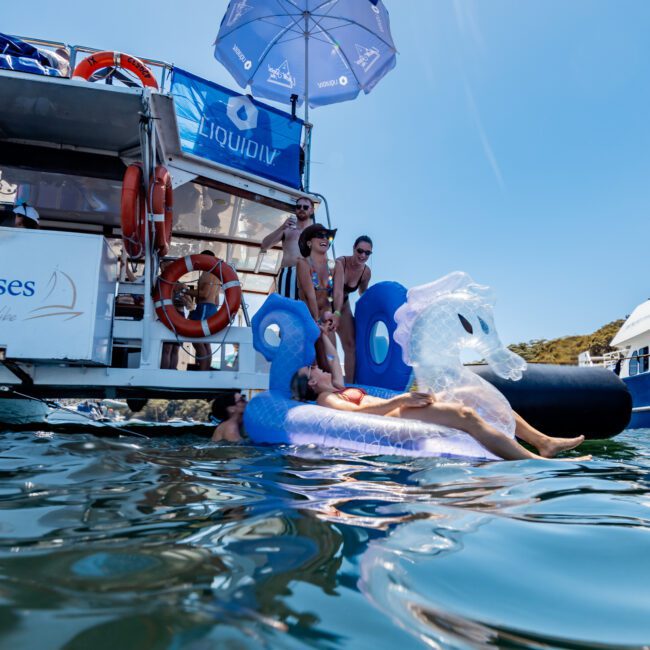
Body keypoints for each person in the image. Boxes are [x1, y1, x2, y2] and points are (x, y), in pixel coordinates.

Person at [290, 331, 590, 462]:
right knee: (465, 416)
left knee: (473, 393)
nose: (318, 366)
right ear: (312, 384)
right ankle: (535, 461)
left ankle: (543, 441)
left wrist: (323, 331)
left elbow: (332, 354)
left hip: (399, 406)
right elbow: (355, 416)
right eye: (312, 369)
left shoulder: (339, 386)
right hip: (393, 415)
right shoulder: (324, 400)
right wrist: (399, 401)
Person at [296, 223, 338, 371]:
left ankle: (333, 390)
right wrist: (315, 321)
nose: (325, 238)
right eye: (320, 235)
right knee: (311, 363)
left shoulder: (335, 265)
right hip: (308, 318)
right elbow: (310, 295)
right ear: (309, 242)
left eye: (328, 236)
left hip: (325, 317)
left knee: (331, 362)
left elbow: (337, 293)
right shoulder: (303, 263)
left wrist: (336, 314)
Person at [333, 235, 373, 382]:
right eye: (360, 251)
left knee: (351, 345)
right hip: (326, 303)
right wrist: (335, 313)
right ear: (353, 249)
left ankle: (349, 386)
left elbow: (363, 294)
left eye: (367, 253)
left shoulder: (365, 272)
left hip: (343, 305)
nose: (363, 255)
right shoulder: (340, 263)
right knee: (327, 343)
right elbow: (336, 291)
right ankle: (326, 382)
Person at [261, 197, 315, 299]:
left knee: (306, 309)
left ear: (312, 210)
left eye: (305, 207)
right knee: (287, 309)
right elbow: (264, 245)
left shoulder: (316, 233)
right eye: (298, 206)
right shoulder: (287, 230)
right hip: (288, 273)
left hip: (309, 273)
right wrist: (282, 227)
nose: (301, 209)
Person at [187, 250, 221, 371]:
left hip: (204, 308)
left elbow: (204, 294)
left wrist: (185, 290)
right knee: (206, 343)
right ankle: (204, 372)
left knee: (197, 341)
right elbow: (217, 301)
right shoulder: (217, 275)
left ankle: (202, 371)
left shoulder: (207, 274)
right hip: (211, 309)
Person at [159, 259, 193, 370]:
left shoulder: (181, 285)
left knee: (174, 348)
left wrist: (183, 299)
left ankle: (172, 371)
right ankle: (165, 372)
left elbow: (190, 305)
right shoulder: (160, 282)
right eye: (163, 267)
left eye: (168, 267)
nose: (165, 269)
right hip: (167, 315)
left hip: (178, 316)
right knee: (167, 347)